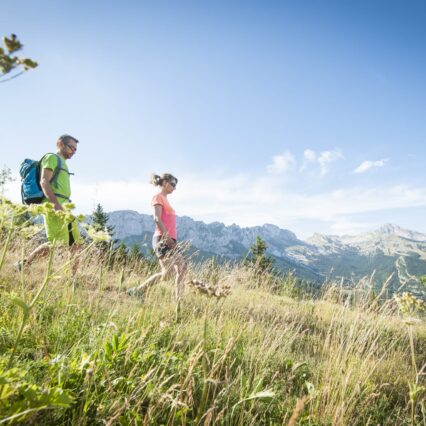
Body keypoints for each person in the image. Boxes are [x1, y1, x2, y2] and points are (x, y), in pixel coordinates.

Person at [18, 134, 81, 268]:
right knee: (57, 243)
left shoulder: (63, 163)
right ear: (60, 144)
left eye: (75, 149)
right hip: (54, 205)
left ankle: (74, 280)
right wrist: (55, 204)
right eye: (71, 148)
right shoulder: (52, 158)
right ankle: (24, 264)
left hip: (66, 206)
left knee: (75, 243)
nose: (74, 152)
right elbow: (44, 181)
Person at [128, 173, 186, 301]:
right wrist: (167, 238)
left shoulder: (165, 199)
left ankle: (179, 301)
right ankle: (137, 291)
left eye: (175, 186)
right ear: (165, 183)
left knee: (182, 267)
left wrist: (171, 239)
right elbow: (157, 219)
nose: (174, 188)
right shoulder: (157, 197)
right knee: (167, 273)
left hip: (170, 239)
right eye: (173, 184)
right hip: (162, 239)